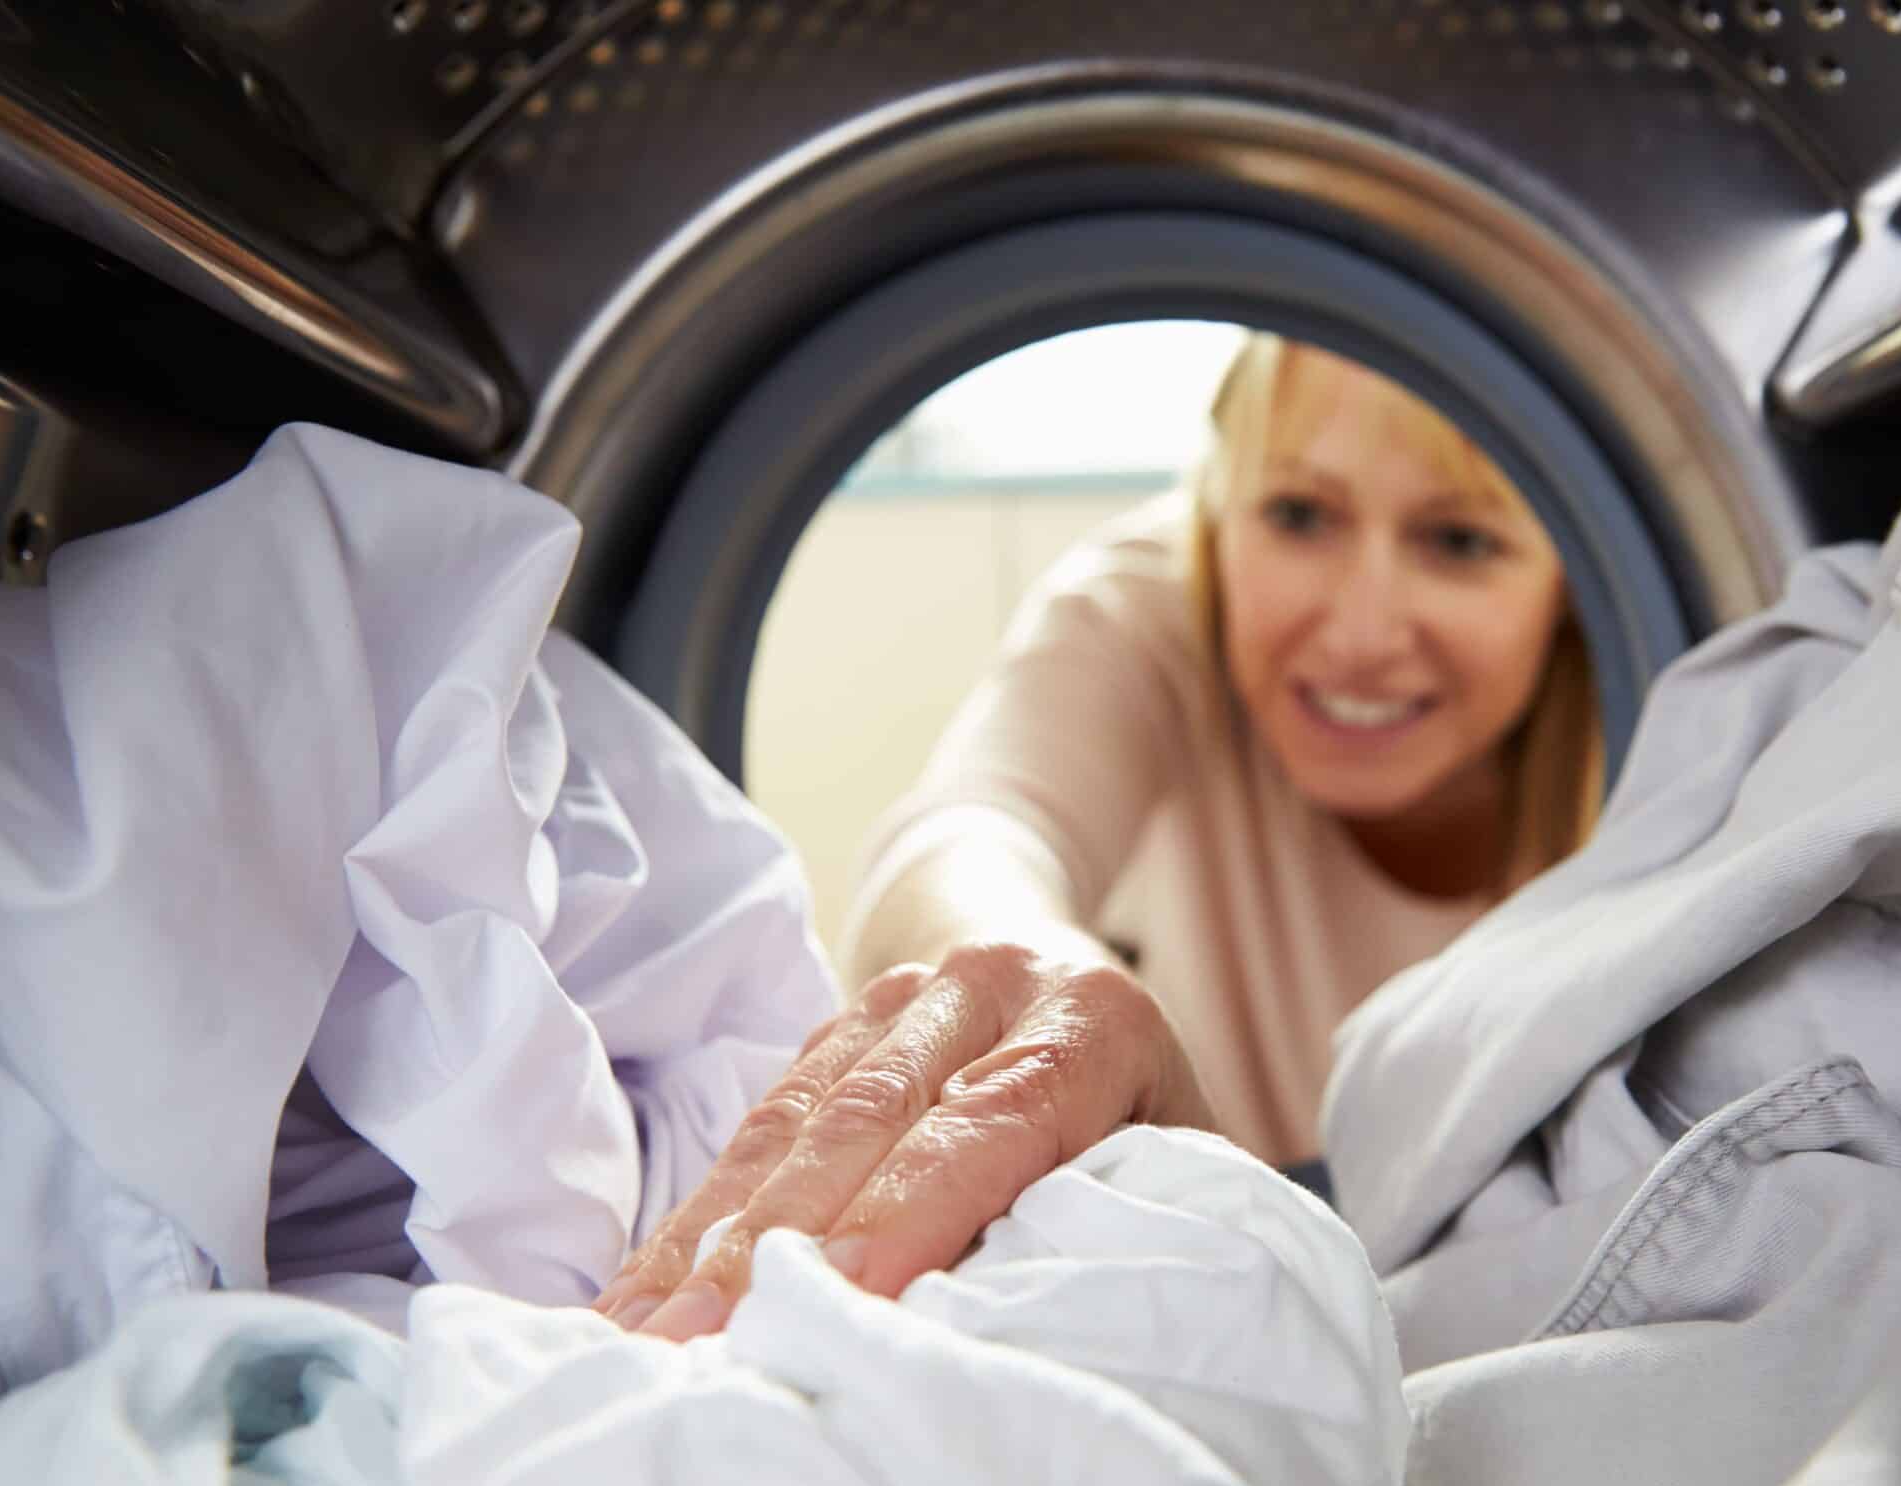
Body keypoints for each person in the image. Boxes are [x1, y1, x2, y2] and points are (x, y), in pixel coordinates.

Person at [598, 332, 1603, 1338]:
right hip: (1208, 1313)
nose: (1359, 631)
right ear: (1222, 506)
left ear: (1570, 576)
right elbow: (967, 831)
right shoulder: (1161, 603)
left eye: (1460, 542)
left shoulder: (1667, 721)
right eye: (1298, 515)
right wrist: (1042, 992)